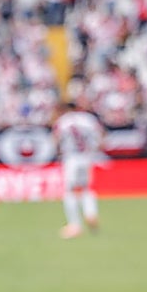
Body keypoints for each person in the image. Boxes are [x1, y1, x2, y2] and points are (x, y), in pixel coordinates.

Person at [52, 97, 105, 239]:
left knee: (70, 191)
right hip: (86, 157)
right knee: (86, 188)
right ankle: (91, 213)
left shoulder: (63, 121)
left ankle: (74, 224)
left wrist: (58, 151)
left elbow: (56, 139)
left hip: (71, 158)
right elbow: (101, 136)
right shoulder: (88, 119)